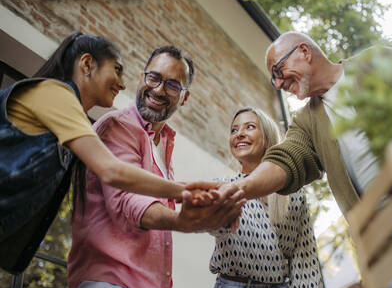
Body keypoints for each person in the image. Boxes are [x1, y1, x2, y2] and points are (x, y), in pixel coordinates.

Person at [0, 32, 230, 274]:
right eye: (117, 69)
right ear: (88, 64)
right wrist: (184, 190)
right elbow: (112, 171)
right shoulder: (57, 95)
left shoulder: (69, 126)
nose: (123, 83)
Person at [67, 45, 245, 288]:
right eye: (154, 78)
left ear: (184, 99)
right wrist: (181, 221)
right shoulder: (118, 126)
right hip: (108, 282)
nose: (159, 90)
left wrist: (210, 217)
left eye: (173, 85)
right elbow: (128, 200)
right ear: (141, 77)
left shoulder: (164, 143)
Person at [188, 31, 392, 215]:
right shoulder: (306, 122)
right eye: (273, 79)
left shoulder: (374, 63)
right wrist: (239, 188)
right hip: (384, 243)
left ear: (305, 52)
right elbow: (286, 160)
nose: (279, 84)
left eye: (278, 71)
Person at [206, 107, 323, 288]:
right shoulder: (223, 187)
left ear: (267, 136)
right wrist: (211, 210)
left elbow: (304, 255)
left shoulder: (293, 192)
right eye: (234, 130)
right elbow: (216, 227)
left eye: (249, 127)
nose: (239, 134)